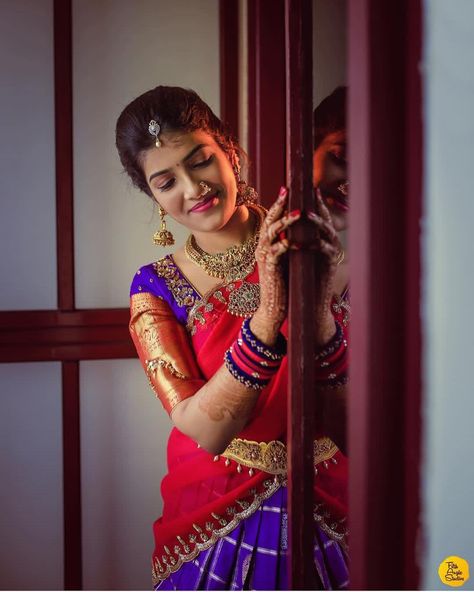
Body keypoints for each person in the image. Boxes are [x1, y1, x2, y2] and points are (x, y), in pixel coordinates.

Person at [115, 85, 349, 590]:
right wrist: (268, 317)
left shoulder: (315, 242)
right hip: (212, 510)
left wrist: (319, 310)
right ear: (153, 197)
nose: (192, 188)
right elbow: (205, 428)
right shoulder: (155, 287)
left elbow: (357, 420)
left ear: (231, 152)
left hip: (331, 493)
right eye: (166, 181)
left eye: (200, 161)